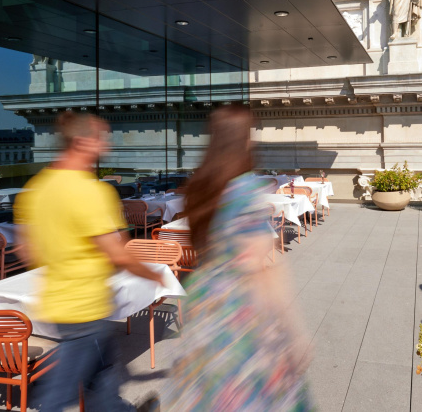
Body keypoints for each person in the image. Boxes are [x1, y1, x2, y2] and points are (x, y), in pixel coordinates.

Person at [161, 105, 314, 411]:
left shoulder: (201, 187)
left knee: (211, 391)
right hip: (237, 308)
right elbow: (262, 266)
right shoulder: (245, 189)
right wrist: (295, 329)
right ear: (244, 141)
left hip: (205, 300)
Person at [15, 112, 163, 412]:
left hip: (58, 303)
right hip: (86, 307)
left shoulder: (37, 188)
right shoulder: (90, 191)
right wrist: (157, 276)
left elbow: (26, 250)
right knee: (59, 395)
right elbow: (118, 254)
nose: (106, 144)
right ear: (82, 141)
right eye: (101, 137)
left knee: (104, 377)